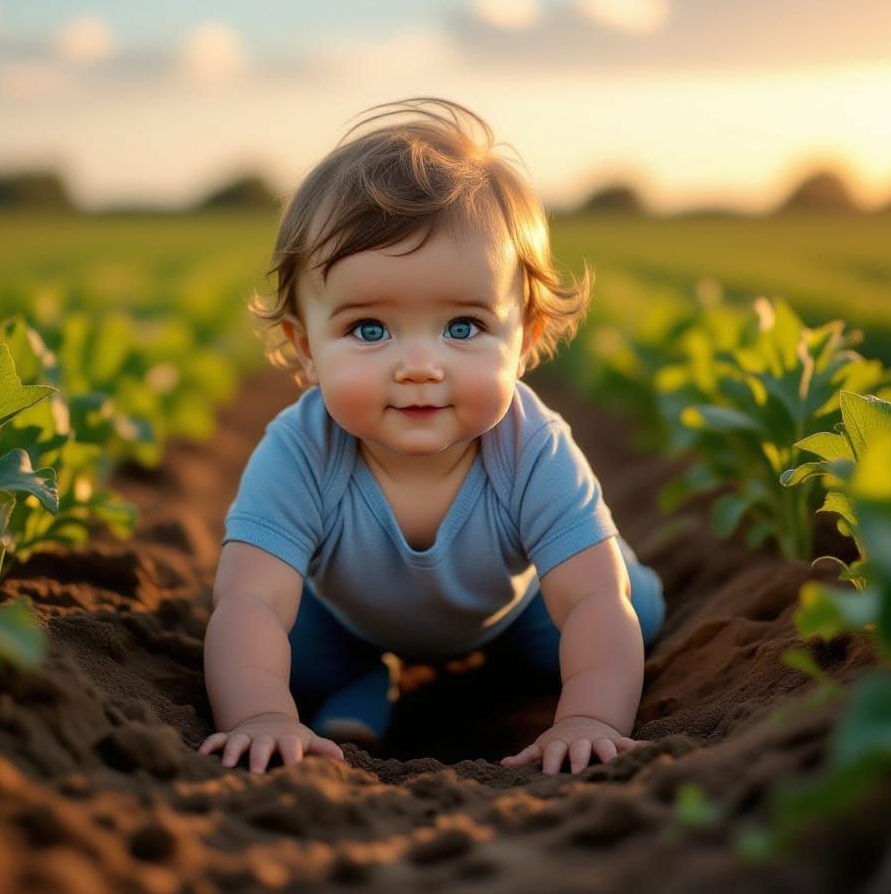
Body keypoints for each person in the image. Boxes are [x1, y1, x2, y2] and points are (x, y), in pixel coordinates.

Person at [198, 97, 666, 777]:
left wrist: (589, 718)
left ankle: (546, 629)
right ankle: (360, 681)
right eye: (369, 330)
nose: (419, 365)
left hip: (516, 609)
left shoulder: (530, 447)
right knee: (273, 647)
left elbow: (591, 600)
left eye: (463, 327)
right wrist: (262, 716)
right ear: (306, 348)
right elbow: (251, 597)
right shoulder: (301, 450)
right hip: (345, 620)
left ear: (525, 339)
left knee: (621, 611)